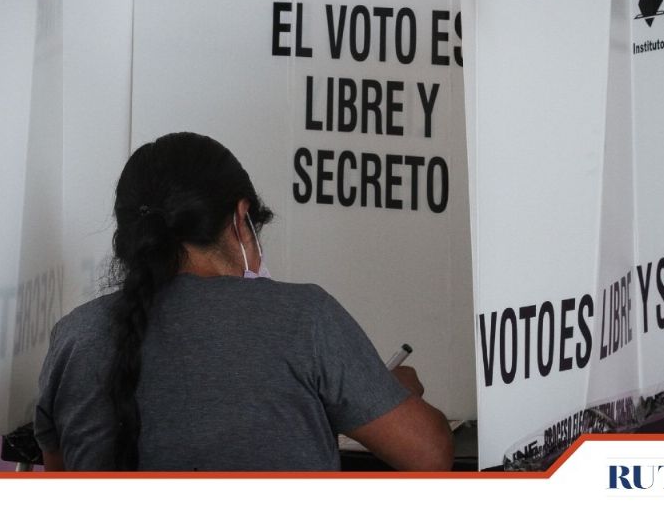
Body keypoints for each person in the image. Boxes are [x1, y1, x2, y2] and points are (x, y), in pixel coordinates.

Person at [34, 132, 453, 471]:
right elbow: (429, 455)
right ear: (241, 217)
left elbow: (61, 471)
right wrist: (389, 394)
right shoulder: (304, 318)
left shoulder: (75, 337)